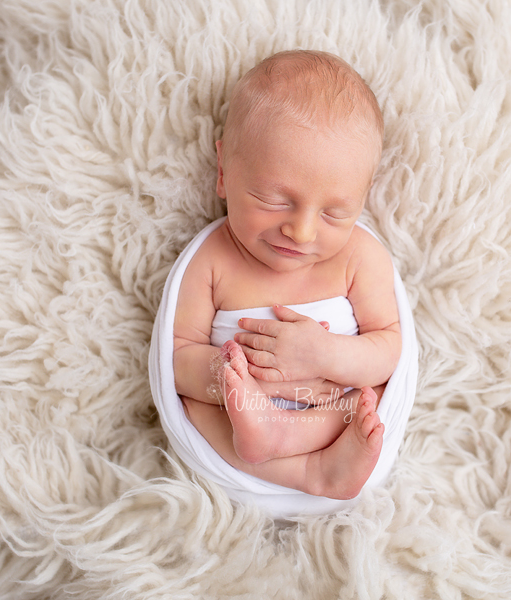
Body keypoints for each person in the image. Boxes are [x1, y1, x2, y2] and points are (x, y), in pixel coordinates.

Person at [172, 50, 401, 501]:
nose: (301, 230)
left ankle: (300, 449)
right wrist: (234, 377)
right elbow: (177, 361)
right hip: (235, 424)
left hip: (329, 412)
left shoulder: (359, 258)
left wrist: (327, 356)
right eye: (274, 199)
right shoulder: (213, 261)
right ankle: (307, 474)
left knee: (365, 401)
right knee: (195, 405)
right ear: (223, 172)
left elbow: (389, 348)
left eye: (336, 213)